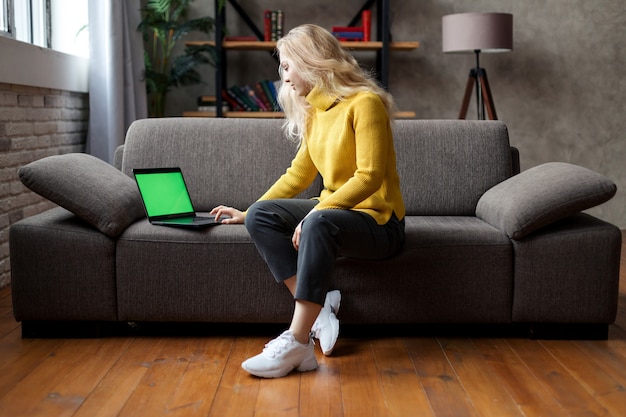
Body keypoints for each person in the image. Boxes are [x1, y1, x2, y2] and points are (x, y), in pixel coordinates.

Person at [210, 23, 405, 378]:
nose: (282, 75)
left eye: (286, 65)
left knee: (318, 219)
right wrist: (248, 211)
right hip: (335, 215)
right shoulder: (316, 112)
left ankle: (298, 343)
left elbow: (369, 176)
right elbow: (297, 176)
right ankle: (322, 310)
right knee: (262, 216)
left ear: (311, 62)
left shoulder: (366, 103)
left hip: (380, 223)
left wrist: (317, 211)